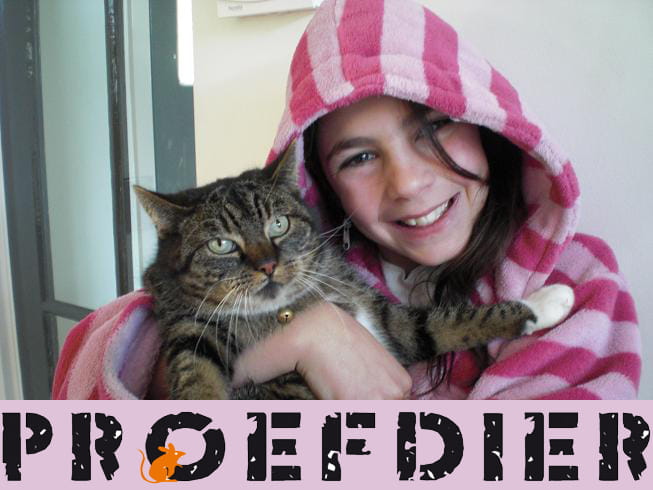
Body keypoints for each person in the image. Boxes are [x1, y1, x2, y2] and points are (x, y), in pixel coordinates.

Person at [52, 0, 641, 400]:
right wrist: (300, 337)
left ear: (488, 125)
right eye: (358, 158)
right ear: (320, 183)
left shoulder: (581, 281)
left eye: (434, 127)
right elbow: (94, 367)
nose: (408, 184)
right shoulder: (320, 264)